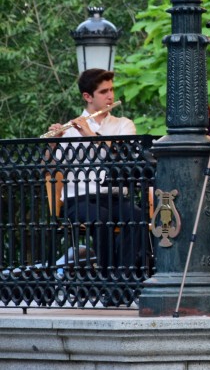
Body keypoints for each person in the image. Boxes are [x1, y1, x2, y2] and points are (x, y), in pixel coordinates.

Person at [44, 68, 148, 275]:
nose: (110, 96)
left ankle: (122, 278)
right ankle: (106, 277)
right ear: (87, 96)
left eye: (111, 90)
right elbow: (47, 168)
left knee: (137, 216)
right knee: (101, 217)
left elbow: (124, 156)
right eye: (103, 92)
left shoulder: (123, 125)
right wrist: (52, 146)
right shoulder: (71, 129)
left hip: (114, 196)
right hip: (79, 199)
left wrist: (90, 134)